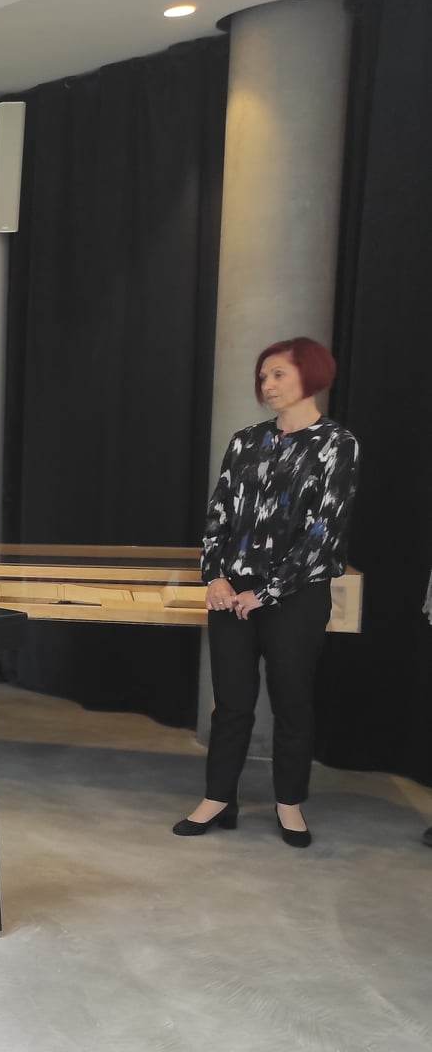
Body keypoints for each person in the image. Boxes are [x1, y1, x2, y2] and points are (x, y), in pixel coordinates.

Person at [176, 337, 359, 849]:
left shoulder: (337, 444)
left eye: (278, 373)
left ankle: (289, 803)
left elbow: (325, 531)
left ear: (311, 374)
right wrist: (215, 577)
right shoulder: (245, 441)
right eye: (263, 376)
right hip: (231, 592)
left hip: (296, 598)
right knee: (231, 703)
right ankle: (218, 797)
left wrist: (269, 591)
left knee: (292, 702)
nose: (267, 384)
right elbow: (219, 514)